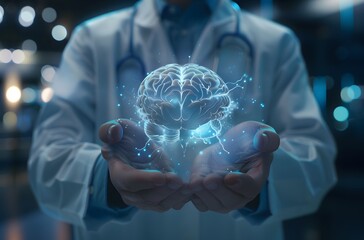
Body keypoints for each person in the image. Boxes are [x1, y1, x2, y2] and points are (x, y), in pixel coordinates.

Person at [28, 0, 337, 239]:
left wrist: (261, 178)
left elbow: (316, 159)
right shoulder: (91, 40)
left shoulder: (276, 42)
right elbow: (48, 160)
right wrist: (106, 179)